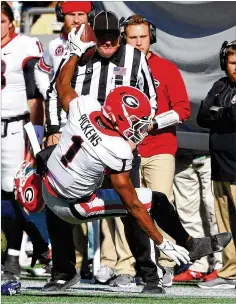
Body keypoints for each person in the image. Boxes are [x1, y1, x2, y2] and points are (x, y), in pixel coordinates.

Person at [37, 24, 231, 292]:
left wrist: (73, 53)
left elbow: (61, 84)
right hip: (74, 207)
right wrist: (163, 242)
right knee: (154, 201)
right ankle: (181, 251)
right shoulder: (116, 150)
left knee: (48, 159)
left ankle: (60, 270)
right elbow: (135, 207)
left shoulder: (86, 106)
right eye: (136, 121)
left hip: (49, 188)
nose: (139, 125)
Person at [37, 10, 158, 292]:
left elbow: (149, 101)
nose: (106, 42)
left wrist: (132, 138)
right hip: (79, 142)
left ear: (119, 35)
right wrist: (54, 129)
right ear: (93, 34)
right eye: (101, 36)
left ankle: (148, 274)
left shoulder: (134, 57)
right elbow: (56, 91)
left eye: (111, 36)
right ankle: (63, 272)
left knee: (132, 206)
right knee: (58, 202)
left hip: (116, 145)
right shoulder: (79, 55)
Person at [118, 14, 190, 288]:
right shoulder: (117, 70)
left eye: (142, 37)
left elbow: (183, 109)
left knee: (161, 205)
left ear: (152, 38)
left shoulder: (167, 69)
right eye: (132, 37)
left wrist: (153, 124)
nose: (138, 43)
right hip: (124, 150)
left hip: (159, 147)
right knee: (123, 208)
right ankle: (124, 264)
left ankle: (167, 263)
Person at [34, 0, 97, 280]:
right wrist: (52, 127)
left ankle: (96, 259)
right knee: (59, 194)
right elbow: (47, 82)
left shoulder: (97, 44)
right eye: (71, 14)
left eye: (81, 14)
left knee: (92, 195)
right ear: (62, 15)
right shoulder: (55, 46)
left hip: (90, 128)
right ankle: (70, 260)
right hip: (63, 128)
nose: (75, 19)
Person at [1, 1, 50, 280]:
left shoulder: (26, 46)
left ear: (11, 22)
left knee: (17, 191)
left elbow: (39, 93)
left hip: (17, 127)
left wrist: (37, 134)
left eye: (1, 21)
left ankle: (18, 255)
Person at [196, 40, 236, 289]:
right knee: (226, 225)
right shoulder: (220, 85)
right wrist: (223, 112)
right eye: (233, 62)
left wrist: (219, 112)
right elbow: (202, 115)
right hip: (220, 168)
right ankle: (231, 271)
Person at [173, 148, 223, 282]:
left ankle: (221, 264)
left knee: (214, 212)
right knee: (188, 213)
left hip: (211, 152)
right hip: (181, 153)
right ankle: (199, 264)